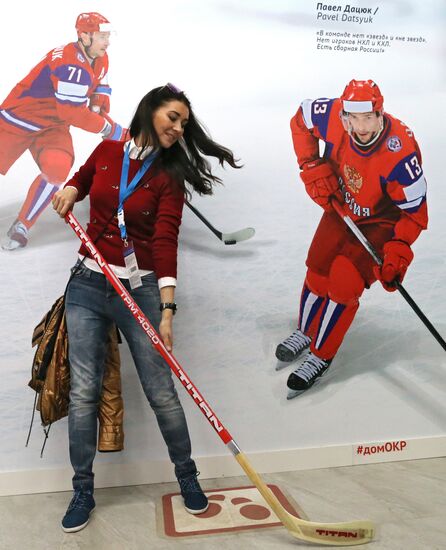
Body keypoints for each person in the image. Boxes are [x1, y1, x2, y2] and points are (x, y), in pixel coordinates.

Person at [52, 83, 240, 532]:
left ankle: (187, 478)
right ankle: (82, 491)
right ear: (150, 111)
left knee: (161, 392)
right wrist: (70, 190)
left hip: (141, 290)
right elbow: (83, 178)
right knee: (83, 393)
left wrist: (168, 308)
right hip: (88, 285)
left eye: (183, 123)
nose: (178, 128)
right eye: (173, 117)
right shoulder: (107, 149)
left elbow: (164, 240)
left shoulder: (167, 177)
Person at [276, 79, 428, 394]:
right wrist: (311, 165)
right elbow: (300, 119)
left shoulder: (401, 151)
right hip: (342, 205)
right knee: (318, 269)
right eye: (352, 118)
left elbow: (414, 212)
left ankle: (320, 355)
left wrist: (398, 250)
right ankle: (306, 331)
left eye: (368, 117)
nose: (360, 127)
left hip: (381, 220)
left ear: (380, 113)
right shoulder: (331, 114)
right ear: (343, 114)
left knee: (344, 280)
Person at [1, 12, 126, 251]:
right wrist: (112, 129)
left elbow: (101, 81)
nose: (107, 42)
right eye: (102, 36)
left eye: (108, 35)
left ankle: (22, 225)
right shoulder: (71, 65)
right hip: (17, 122)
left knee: (57, 168)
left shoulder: (99, 56)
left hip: (52, 127)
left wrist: (99, 104)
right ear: (84, 36)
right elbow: (73, 114)